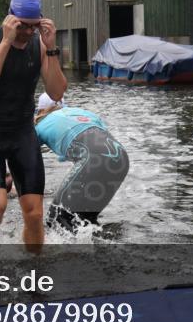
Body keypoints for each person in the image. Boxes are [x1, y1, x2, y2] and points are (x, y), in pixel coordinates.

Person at [0, 0, 67, 248]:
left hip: (23, 130)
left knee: (34, 214)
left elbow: (56, 92)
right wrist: (5, 42)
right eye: (22, 25)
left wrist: (51, 48)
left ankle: (35, 272)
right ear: (10, 18)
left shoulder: (39, 44)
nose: (27, 32)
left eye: (33, 26)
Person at [34, 93, 128, 230]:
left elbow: (26, 162)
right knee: (85, 221)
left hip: (94, 160)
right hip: (121, 159)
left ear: (40, 111)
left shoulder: (40, 126)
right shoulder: (83, 113)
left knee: (56, 221)